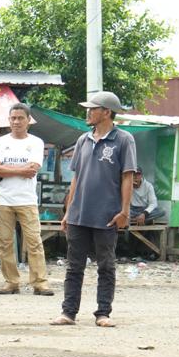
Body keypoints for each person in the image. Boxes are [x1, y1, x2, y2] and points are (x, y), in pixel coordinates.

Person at [52, 91, 136, 328]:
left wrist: (125, 211)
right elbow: (76, 177)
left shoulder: (124, 139)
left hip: (108, 215)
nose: (88, 112)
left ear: (106, 112)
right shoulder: (83, 140)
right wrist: (69, 210)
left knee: (106, 265)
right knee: (74, 266)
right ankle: (68, 312)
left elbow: (127, 176)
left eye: (93, 108)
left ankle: (103, 313)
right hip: (79, 213)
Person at [0, 103, 53, 296]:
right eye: (13, 118)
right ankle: (11, 282)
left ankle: (40, 283)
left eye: (20, 118)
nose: (16, 121)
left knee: (34, 242)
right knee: (5, 243)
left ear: (28, 120)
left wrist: (6, 170)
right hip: (3, 199)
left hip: (27, 199)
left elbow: (32, 169)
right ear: (9, 120)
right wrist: (21, 170)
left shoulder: (36, 142)